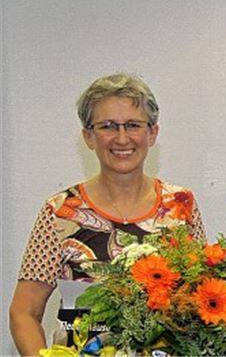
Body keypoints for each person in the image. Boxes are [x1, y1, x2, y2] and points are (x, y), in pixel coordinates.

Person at [9, 73, 206, 356]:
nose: (122, 138)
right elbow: (23, 312)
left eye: (133, 125)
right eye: (108, 126)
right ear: (88, 137)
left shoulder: (181, 206)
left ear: (152, 133)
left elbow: (200, 302)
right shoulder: (60, 212)